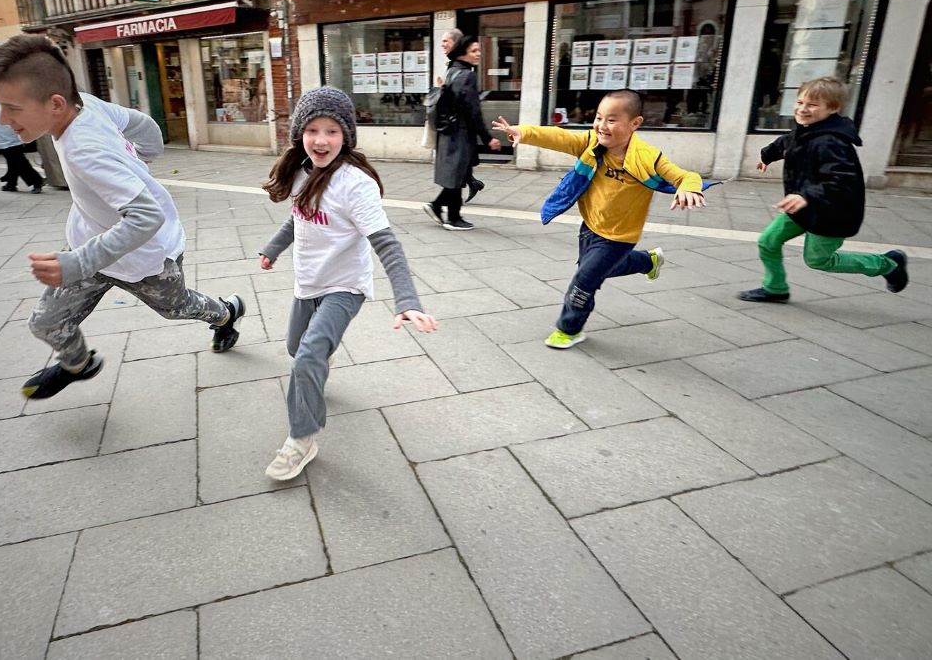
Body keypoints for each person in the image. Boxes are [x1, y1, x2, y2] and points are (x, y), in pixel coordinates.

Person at [0, 34, 246, 400]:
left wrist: (78, 262)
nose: (4, 119)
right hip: (92, 246)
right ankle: (78, 364)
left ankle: (227, 313)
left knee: (178, 307)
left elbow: (145, 216)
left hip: (145, 258)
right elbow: (145, 125)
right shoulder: (84, 104)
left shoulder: (84, 151)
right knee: (47, 321)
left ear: (55, 103)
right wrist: (142, 162)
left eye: (12, 108)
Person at [259, 86, 436, 480]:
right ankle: (319, 356)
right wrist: (273, 248)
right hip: (309, 281)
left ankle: (300, 440)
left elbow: (387, 245)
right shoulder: (304, 171)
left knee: (306, 358)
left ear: (346, 137)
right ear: (300, 134)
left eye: (332, 131)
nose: (321, 140)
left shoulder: (356, 185)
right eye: (313, 130)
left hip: (345, 286)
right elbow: (298, 216)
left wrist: (407, 299)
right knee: (296, 348)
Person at [493, 89, 706, 349]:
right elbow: (559, 137)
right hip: (590, 226)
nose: (602, 126)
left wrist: (689, 188)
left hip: (620, 237)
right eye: (599, 117)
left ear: (635, 123)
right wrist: (523, 132)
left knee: (584, 280)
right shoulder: (592, 143)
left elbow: (685, 176)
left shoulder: (648, 157)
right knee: (603, 269)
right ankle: (647, 261)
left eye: (612, 120)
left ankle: (569, 329)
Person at [738, 76, 908, 303]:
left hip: (831, 213)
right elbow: (786, 142)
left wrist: (805, 195)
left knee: (818, 260)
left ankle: (888, 264)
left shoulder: (832, 142)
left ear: (833, 108)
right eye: (800, 102)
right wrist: (766, 156)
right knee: (768, 241)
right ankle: (775, 288)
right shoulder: (806, 130)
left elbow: (841, 179)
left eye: (812, 105)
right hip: (803, 207)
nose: (803, 109)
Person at [423, 35, 500, 231]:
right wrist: (487, 137)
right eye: (474, 51)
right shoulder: (467, 75)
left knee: (458, 174)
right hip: (460, 133)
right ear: (463, 52)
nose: (479, 54)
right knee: (457, 175)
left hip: (449, 131)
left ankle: (446, 211)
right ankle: (449, 214)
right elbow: (473, 110)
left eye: (479, 50)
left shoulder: (453, 70)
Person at [0, 82, 44, 193]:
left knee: (14, 156)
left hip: (0, 125)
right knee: (13, 155)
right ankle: (11, 182)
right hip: (15, 122)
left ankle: (35, 180)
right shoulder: (11, 81)